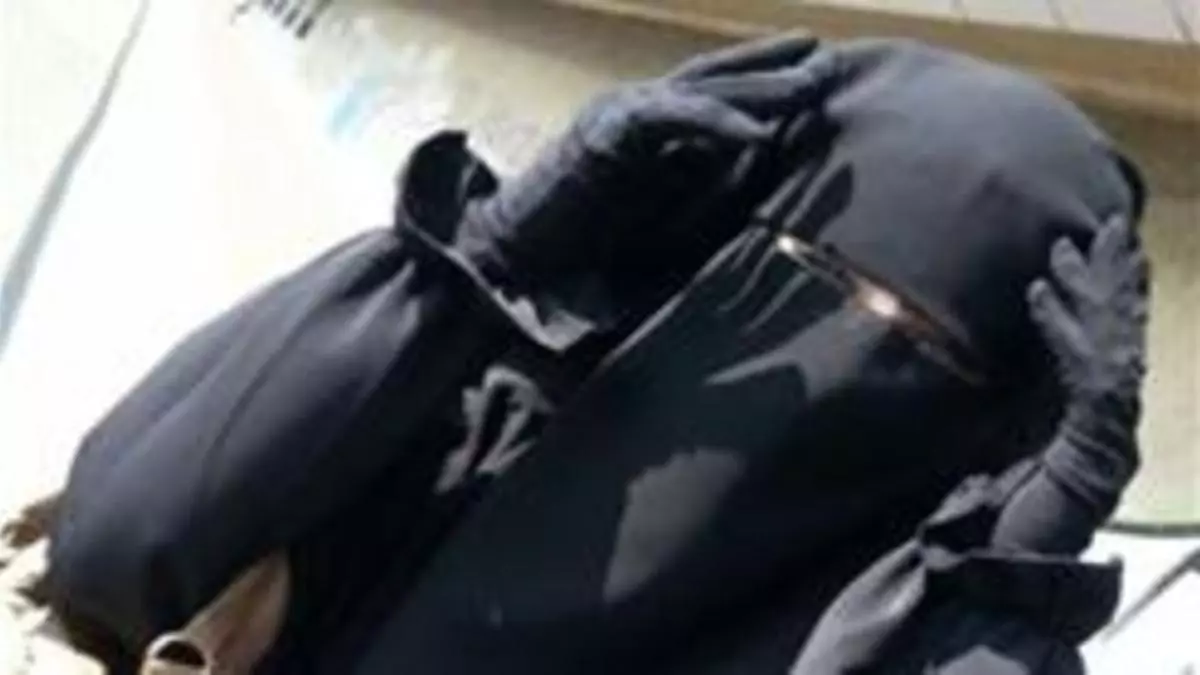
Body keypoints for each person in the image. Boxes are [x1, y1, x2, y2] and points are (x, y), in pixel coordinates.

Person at [46, 35, 1149, 674]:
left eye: (924, 345)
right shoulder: (467, 412)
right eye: (806, 271)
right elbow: (122, 537)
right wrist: (483, 259)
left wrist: (1025, 562)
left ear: (988, 418)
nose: (851, 340)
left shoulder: (866, 629)